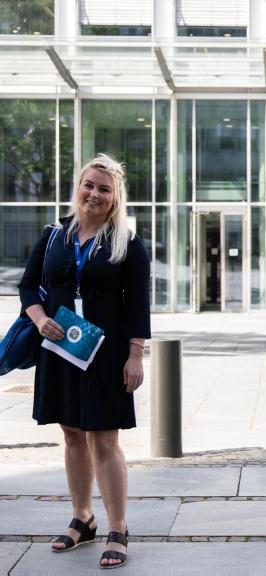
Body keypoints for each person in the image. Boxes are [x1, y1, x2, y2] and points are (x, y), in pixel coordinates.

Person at [19, 154, 151, 569]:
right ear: (78, 187)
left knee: (104, 440)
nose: (94, 193)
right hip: (59, 348)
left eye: (104, 189)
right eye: (88, 185)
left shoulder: (126, 243)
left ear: (115, 199)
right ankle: (83, 518)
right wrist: (39, 320)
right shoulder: (54, 235)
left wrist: (135, 356)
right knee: (72, 434)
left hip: (105, 353)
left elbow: (139, 305)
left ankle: (119, 526)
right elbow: (27, 286)